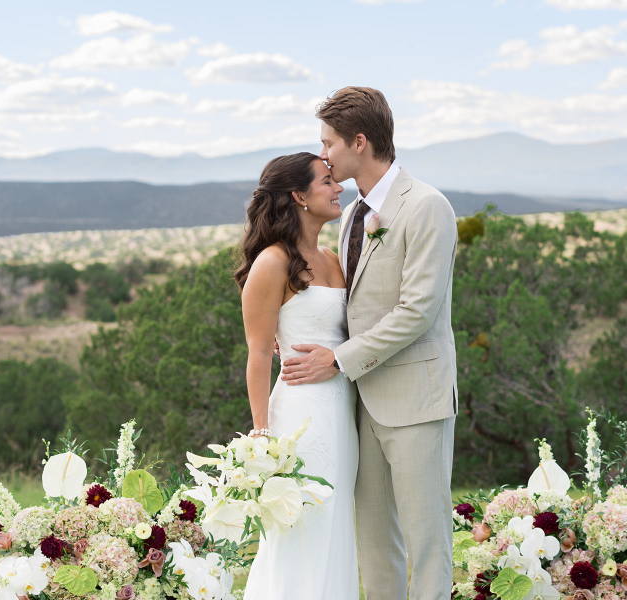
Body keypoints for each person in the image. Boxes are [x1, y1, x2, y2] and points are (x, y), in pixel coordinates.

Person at [280, 86, 459, 600]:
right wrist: (298, 336)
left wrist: (337, 358)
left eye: (328, 143)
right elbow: (354, 306)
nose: (323, 156)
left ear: (359, 142)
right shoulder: (353, 216)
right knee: (375, 543)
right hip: (361, 401)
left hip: (416, 401)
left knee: (428, 543)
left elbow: (417, 311)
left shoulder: (426, 206)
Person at [234, 152, 359, 599]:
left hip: (343, 411)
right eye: (327, 181)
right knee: (303, 529)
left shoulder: (332, 257)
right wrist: (262, 435)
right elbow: (256, 355)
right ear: (299, 196)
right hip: (300, 418)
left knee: (336, 528)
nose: (338, 186)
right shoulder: (272, 262)